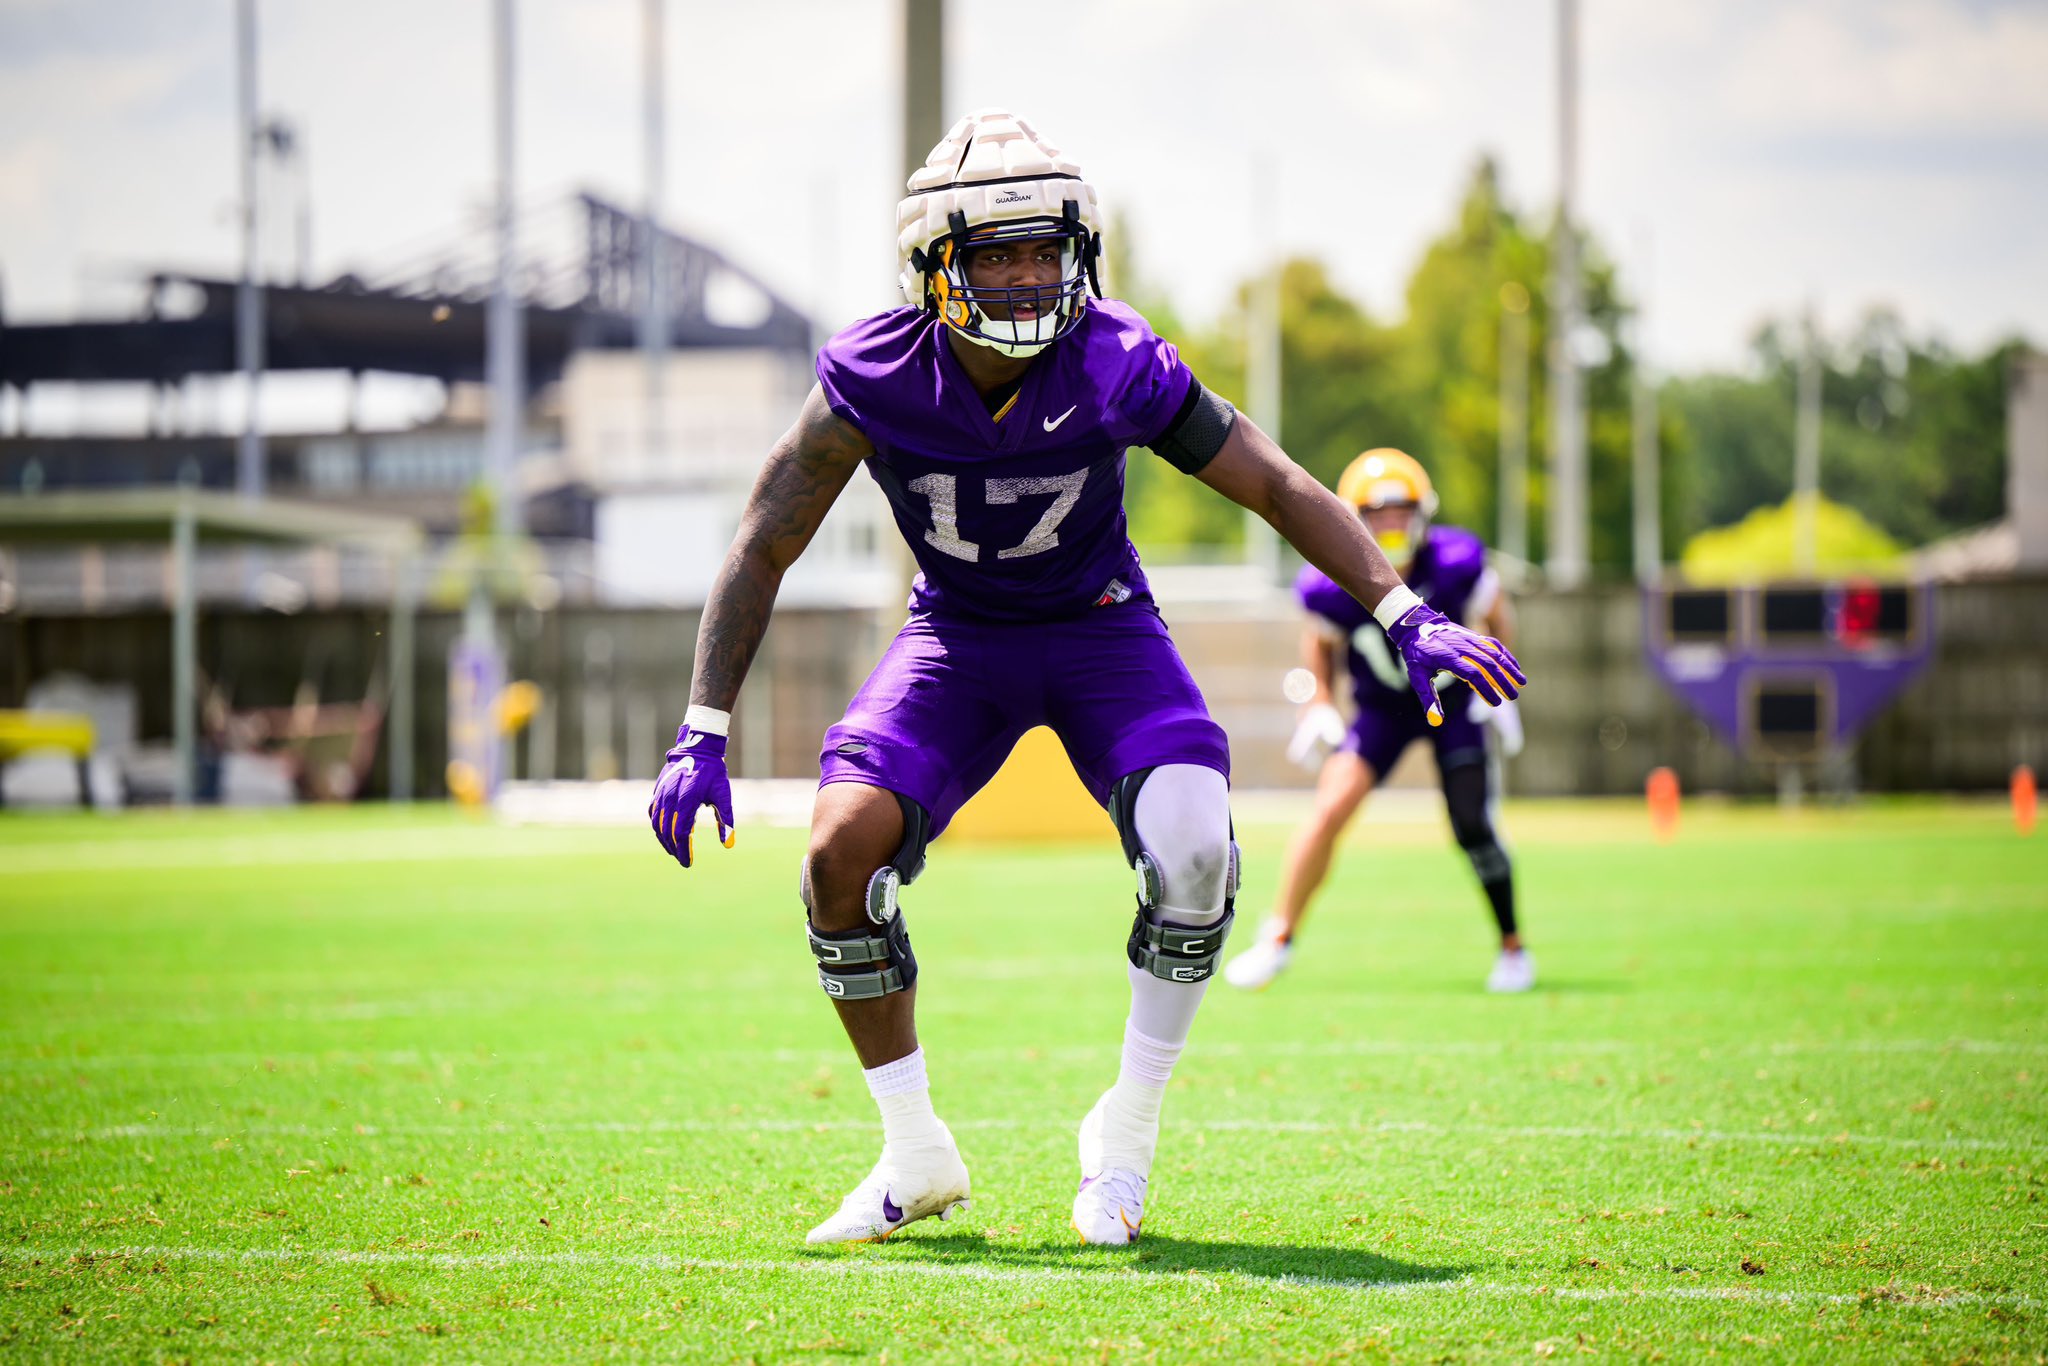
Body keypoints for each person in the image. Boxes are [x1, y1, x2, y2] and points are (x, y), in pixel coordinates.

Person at [647, 112, 1523, 1247]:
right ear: (935, 264)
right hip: (956, 635)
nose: (1025, 275)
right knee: (832, 852)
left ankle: (1126, 1134)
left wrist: (1402, 612)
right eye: (995, 252)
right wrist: (700, 727)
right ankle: (913, 1152)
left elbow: (1271, 478)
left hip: (1101, 627)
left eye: (1044, 248)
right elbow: (765, 537)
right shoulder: (873, 370)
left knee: (1198, 851)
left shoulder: (1115, 356)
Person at [1223, 449, 1532, 995]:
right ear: (1352, 517)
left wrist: (1499, 686)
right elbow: (1318, 644)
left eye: (1401, 511)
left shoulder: (1458, 561)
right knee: (1329, 808)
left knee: (1472, 822)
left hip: (1454, 706)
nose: (1392, 524)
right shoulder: (1331, 579)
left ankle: (1512, 947)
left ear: (1423, 513)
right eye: (1378, 513)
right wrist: (1317, 702)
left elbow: (1496, 613)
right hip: (1383, 711)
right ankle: (1278, 938)